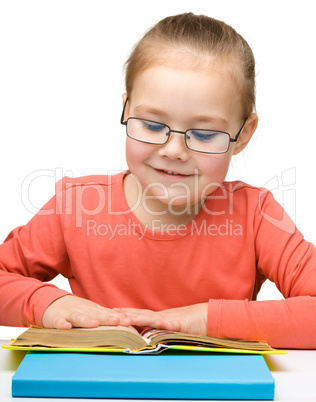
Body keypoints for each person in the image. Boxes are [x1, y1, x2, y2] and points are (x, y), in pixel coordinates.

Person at [0, 12, 315, 349]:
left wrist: (208, 320)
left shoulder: (257, 214)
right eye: (152, 127)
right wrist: (48, 304)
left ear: (243, 134)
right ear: (126, 109)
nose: (174, 150)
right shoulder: (75, 206)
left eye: (205, 134)